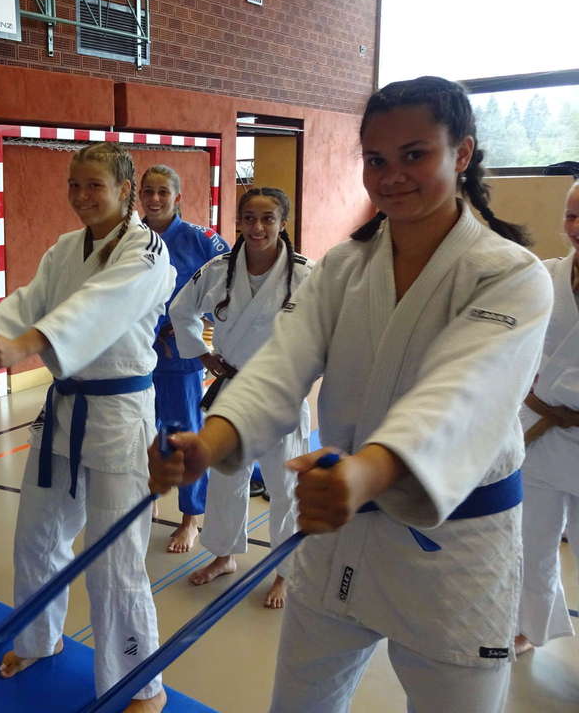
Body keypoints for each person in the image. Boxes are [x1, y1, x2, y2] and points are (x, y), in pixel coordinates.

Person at [149, 77, 553, 712]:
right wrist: (212, 440)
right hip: (340, 528)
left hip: (453, 547)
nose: (392, 175)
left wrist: (370, 472)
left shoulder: (510, 274)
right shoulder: (345, 267)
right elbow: (283, 361)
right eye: (376, 159)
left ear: (463, 153)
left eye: (414, 154)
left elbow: (464, 393)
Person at [0, 142, 173, 712]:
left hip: (118, 415)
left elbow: (97, 307)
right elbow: (27, 302)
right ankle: (40, 638)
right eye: (74, 185)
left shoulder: (146, 250)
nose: (81, 196)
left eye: (94, 185)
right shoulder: (65, 248)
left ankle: (141, 684)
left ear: (125, 190)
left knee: (115, 558)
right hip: (63, 409)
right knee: (36, 538)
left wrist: (24, 348)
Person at [169, 186, 311, 608]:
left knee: (285, 486)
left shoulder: (306, 274)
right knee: (226, 480)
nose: (257, 227)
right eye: (249, 218)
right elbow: (181, 310)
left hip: (280, 391)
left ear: (283, 223)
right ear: (239, 222)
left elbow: (331, 328)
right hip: (232, 388)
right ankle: (224, 555)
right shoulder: (218, 270)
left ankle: (285, 571)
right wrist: (202, 353)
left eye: (268, 218)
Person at [138, 164, 229, 553]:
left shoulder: (200, 239)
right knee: (144, 429)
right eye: (148, 191)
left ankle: (192, 517)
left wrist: (197, 321)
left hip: (179, 356)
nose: (155, 199)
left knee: (185, 432)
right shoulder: (130, 237)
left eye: (163, 192)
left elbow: (231, 280)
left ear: (177, 197)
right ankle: (150, 494)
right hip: (136, 352)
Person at [515, 179, 579, 655]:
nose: (576, 226)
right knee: (532, 541)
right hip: (538, 431)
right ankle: (529, 626)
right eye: (572, 215)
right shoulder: (544, 276)